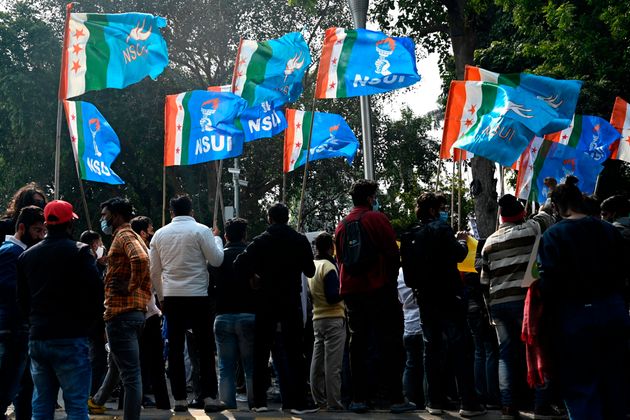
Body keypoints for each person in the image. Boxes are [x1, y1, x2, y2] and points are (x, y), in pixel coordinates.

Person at [538, 176, 630, 419]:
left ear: (557, 208)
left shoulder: (553, 236)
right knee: (615, 384)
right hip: (614, 312)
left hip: (574, 317)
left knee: (581, 388)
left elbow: (548, 284)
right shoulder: (610, 231)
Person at [335, 180, 415, 414]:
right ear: (371, 198)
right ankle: (395, 398)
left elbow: (341, 259)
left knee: (357, 345)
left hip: (351, 293)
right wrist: (389, 283)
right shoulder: (377, 219)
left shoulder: (342, 225)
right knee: (389, 343)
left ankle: (359, 398)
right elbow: (392, 252)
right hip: (378, 288)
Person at [16, 200, 102, 419]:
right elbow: (96, 293)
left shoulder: (26, 257)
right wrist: (88, 326)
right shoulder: (80, 252)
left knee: (42, 404)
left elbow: (22, 301)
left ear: (47, 223)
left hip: (38, 338)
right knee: (76, 405)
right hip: (71, 337)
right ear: (69, 224)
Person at [402, 192, 484, 417]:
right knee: (460, 348)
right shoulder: (442, 230)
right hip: (449, 297)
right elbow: (460, 254)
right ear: (432, 210)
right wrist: (460, 241)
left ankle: (434, 402)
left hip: (425, 300)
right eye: (440, 207)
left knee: (432, 350)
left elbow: (409, 274)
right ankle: (468, 403)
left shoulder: (410, 234)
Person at [233, 203, 318, 414]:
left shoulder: (260, 241)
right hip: (290, 300)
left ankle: (259, 402)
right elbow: (310, 271)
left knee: (261, 352)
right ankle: (297, 402)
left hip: (265, 300)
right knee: (295, 353)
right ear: (287, 218)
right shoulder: (299, 240)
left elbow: (238, 264)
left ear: (269, 218)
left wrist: (254, 275)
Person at [481, 194, 557, 419]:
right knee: (537, 349)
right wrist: (549, 195)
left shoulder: (489, 242)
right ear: (521, 215)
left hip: (498, 304)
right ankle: (541, 405)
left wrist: (490, 312)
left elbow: (484, 281)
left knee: (506, 355)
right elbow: (546, 216)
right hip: (526, 304)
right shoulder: (531, 230)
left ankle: (507, 406)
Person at [149, 195, 224, 413]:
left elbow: (155, 271)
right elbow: (217, 260)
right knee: (205, 347)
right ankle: (210, 397)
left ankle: (180, 399)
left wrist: (162, 297)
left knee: (174, 348)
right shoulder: (201, 231)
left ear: (171, 212)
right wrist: (217, 239)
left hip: (172, 297)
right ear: (191, 211)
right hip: (199, 296)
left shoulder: (159, 235)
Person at [89, 198, 152, 420]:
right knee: (117, 365)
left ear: (116, 215)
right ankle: (97, 401)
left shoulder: (124, 235)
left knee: (131, 376)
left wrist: (130, 285)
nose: (103, 220)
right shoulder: (132, 235)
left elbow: (141, 260)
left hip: (120, 314)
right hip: (134, 314)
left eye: (105, 215)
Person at [0, 206, 46, 419]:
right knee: (7, 388)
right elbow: (12, 293)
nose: (41, 236)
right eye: (37, 231)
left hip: (19, 329)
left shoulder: (20, 252)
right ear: (21, 227)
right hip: (13, 329)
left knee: (23, 389)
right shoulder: (11, 252)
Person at [209, 218, 255, 409]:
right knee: (250, 365)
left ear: (226, 236)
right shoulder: (251, 256)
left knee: (225, 365)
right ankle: (255, 401)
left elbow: (210, 285)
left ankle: (227, 401)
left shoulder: (218, 258)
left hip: (222, 315)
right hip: (248, 314)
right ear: (244, 235)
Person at [130, 216, 170, 410]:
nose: (153, 230)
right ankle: (158, 399)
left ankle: (137, 397)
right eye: (151, 227)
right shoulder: (145, 252)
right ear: (144, 232)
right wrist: (162, 300)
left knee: (136, 361)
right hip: (148, 311)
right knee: (153, 360)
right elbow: (155, 278)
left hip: (134, 312)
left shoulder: (127, 250)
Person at [307, 232, 345, 411]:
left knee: (317, 362)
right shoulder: (329, 267)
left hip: (317, 318)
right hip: (334, 318)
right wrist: (346, 291)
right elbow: (332, 297)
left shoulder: (313, 266)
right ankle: (334, 403)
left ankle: (319, 400)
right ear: (331, 247)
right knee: (333, 365)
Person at [78, 230, 108, 399]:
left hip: (93, 320)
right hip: (93, 321)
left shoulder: (95, 264)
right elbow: (96, 290)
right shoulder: (87, 264)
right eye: (99, 243)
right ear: (93, 245)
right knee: (96, 359)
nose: (101, 247)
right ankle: (92, 394)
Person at [396, 268, 425, 409]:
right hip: (422, 323)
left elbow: (400, 299)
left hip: (407, 324)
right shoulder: (421, 267)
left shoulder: (399, 273)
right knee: (427, 364)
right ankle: (429, 400)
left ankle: (410, 399)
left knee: (410, 365)